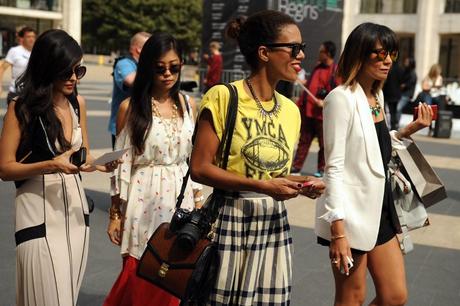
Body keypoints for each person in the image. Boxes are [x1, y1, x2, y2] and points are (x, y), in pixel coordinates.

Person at [190, 10, 325, 305]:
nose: (301, 55)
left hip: (273, 223)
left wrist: (304, 183)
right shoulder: (223, 96)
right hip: (229, 219)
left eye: (301, 48)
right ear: (264, 52)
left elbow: (274, 176)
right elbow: (199, 168)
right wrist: (264, 187)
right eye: (293, 48)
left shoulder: (291, 110)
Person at [314, 22, 433, 306]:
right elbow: (335, 168)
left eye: (391, 53)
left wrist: (407, 131)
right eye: (379, 54)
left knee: (394, 296)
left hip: (381, 209)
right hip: (350, 214)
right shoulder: (340, 99)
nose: (388, 60)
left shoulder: (375, 96)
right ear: (360, 54)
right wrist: (338, 231)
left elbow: (372, 145)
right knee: (352, 297)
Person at [0, 29, 119, 306]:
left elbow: (82, 158)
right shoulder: (22, 109)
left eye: (79, 70)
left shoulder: (78, 103)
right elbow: (5, 169)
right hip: (37, 216)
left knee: (66, 297)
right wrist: (50, 164)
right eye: (66, 71)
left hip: (76, 215)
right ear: (47, 68)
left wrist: (101, 166)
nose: (74, 78)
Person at [104, 31, 204, 306]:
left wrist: (198, 205)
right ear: (148, 66)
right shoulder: (131, 107)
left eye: (174, 67)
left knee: (176, 274)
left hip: (178, 197)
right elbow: (122, 165)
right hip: (142, 197)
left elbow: (191, 160)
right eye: (160, 68)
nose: (168, 74)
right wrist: (115, 213)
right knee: (141, 271)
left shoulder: (188, 104)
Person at [291, 41, 338, 177]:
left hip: (322, 115)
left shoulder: (335, 71)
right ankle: (296, 167)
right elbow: (310, 86)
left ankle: (321, 169)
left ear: (328, 54)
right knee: (303, 141)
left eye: (321, 51)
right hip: (308, 112)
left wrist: (325, 102)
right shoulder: (317, 67)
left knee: (324, 144)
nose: (318, 54)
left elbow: (338, 93)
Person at [108, 32, 150, 148]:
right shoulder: (124, 63)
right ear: (139, 49)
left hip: (142, 125)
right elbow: (131, 80)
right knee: (122, 164)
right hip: (123, 125)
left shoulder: (142, 66)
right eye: (150, 48)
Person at [0, 26, 36, 104]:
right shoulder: (15, 51)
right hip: (15, 93)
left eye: (33, 36)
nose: (31, 39)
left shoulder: (37, 53)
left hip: (31, 94)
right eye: (28, 37)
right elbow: (2, 68)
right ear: (22, 38)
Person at [396, 57, 417, 127]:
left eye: (407, 62)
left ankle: (396, 124)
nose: (405, 63)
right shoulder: (405, 71)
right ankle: (395, 123)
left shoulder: (413, 74)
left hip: (406, 95)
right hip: (400, 94)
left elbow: (409, 84)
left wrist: (403, 85)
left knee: (398, 108)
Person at [383, 60, 403, 130]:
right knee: (394, 111)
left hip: (389, 93)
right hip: (396, 93)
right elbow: (402, 81)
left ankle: (390, 125)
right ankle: (394, 125)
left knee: (388, 111)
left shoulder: (389, 69)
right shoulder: (400, 69)